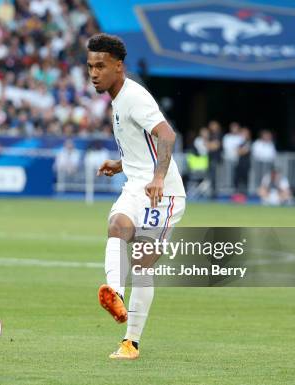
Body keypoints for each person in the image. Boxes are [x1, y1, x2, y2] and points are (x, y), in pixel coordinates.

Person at [87, 33, 186, 360]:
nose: (94, 73)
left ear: (118, 66)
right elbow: (142, 144)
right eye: (90, 66)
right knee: (116, 225)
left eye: (101, 66)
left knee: (142, 262)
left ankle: (131, 342)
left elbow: (167, 135)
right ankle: (114, 293)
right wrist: (120, 164)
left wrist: (158, 176)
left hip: (163, 194)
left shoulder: (134, 97)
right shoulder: (117, 100)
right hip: (136, 185)